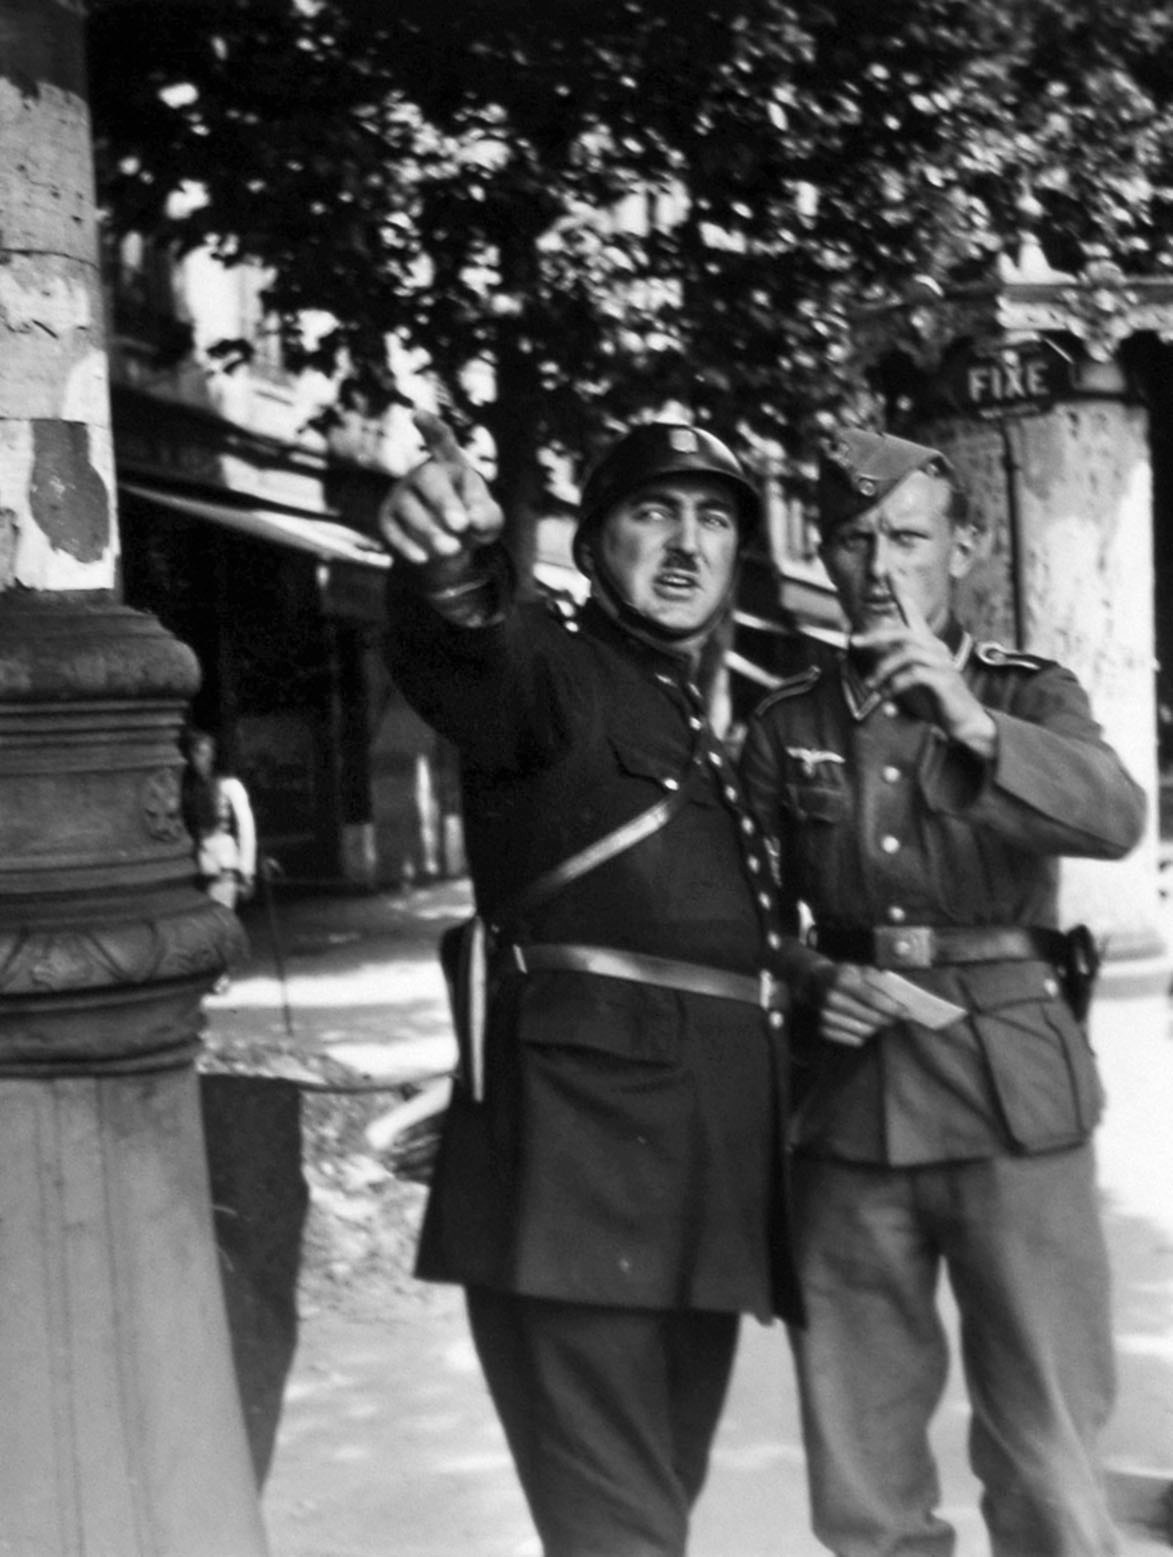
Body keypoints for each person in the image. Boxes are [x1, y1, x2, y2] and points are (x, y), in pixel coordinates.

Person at [380, 411, 802, 1557]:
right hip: (578, 1173)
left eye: (714, 520)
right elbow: (479, 648)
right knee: (622, 1531)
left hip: (704, 1183)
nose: (685, 545)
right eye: (651, 513)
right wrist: (450, 565)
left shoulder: (699, 713)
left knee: (658, 1502)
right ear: (591, 544)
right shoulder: (561, 671)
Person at [740, 427, 1147, 1557]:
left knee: (1049, 1444)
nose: (883, 566)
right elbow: (741, 915)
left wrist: (971, 721)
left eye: (909, 538)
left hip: (1010, 1090)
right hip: (849, 1102)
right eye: (857, 542)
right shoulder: (784, 724)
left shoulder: (1029, 691)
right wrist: (811, 975)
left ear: (963, 548)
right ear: (828, 556)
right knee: (862, 1468)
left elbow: (1116, 819)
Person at [182, 728, 257, 911]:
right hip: (197, 864)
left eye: (204, 753)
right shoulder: (187, 790)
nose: (199, 759)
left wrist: (246, 871)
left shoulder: (229, 786)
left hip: (222, 863)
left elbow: (246, 828)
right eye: (196, 753)